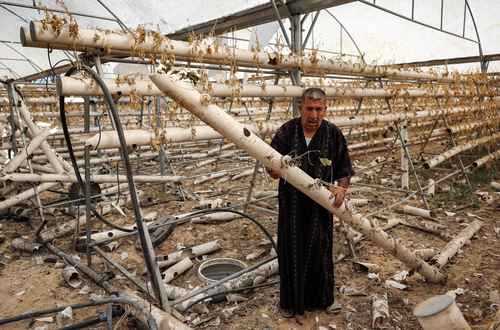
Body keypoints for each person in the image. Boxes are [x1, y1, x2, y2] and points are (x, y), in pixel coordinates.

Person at [266, 87, 354, 317]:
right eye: (309, 109)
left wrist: (341, 189)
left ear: (325, 109)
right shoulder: (286, 132)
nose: (314, 115)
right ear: (300, 108)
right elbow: (271, 169)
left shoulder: (333, 134)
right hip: (291, 205)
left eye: (319, 109)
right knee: (290, 250)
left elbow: (344, 168)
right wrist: (276, 167)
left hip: (321, 206)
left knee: (321, 251)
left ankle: (323, 300)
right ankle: (290, 304)